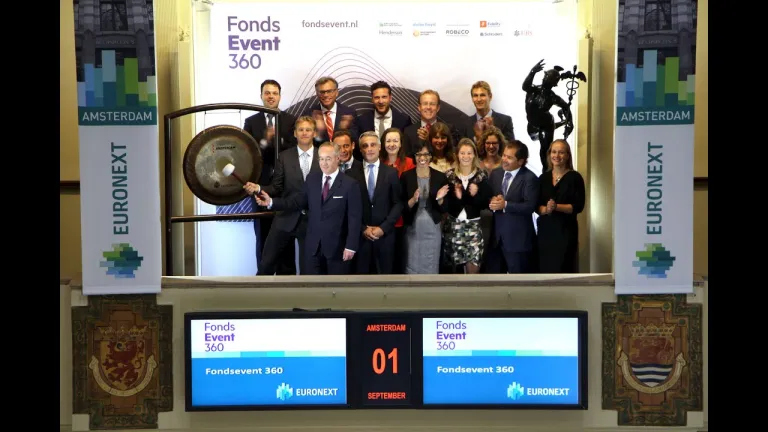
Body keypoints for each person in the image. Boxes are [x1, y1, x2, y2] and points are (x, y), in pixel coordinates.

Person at [256, 142, 362, 275]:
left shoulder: (350, 184)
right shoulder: (312, 180)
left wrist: (351, 246)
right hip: (313, 249)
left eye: (328, 159)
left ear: (337, 158)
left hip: (337, 250)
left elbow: (354, 218)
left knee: (335, 286)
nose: (324, 163)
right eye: (321, 159)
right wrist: (272, 202)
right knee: (311, 286)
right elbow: (297, 201)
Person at [244, 116, 319, 275]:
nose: (304, 133)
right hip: (285, 217)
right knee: (266, 265)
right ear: (295, 133)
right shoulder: (284, 157)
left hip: (312, 221)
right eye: (301, 130)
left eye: (308, 130)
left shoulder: (323, 156)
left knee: (310, 271)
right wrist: (258, 188)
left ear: (314, 133)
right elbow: (276, 188)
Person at [242, 79, 297, 272]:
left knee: (286, 236)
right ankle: (263, 280)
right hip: (260, 187)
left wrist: (277, 140)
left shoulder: (291, 120)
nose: (271, 96)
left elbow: (294, 150)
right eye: (267, 93)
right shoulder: (251, 122)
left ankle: (287, 280)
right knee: (263, 236)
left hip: (286, 187)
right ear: (261, 96)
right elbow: (245, 153)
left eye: (275, 93)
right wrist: (265, 141)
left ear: (280, 96)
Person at [345, 132, 404, 274]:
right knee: (361, 280)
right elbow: (347, 207)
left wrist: (383, 228)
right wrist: (362, 228)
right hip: (361, 237)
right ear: (360, 150)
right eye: (365, 146)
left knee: (385, 280)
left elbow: (398, 203)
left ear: (379, 147)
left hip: (385, 237)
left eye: (373, 145)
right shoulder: (350, 174)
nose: (369, 149)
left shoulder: (391, 173)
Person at [486, 140, 540, 274]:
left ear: (520, 161)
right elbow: (488, 197)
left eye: (509, 157)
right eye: (504, 155)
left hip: (518, 242)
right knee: (496, 281)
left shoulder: (530, 178)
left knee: (518, 282)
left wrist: (505, 205)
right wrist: (492, 200)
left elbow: (530, 206)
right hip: (497, 240)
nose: (504, 159)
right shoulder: (496, 174)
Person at [441, 138, 493, 274]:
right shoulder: (449, 176)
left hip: (473, 228)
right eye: (463, 153)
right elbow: (445, 206)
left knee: (473, 272)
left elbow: (486, 203)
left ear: (474, 155)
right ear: (457, 155)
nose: (466, 156)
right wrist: (457, 197)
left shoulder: (481, 176)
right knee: (454, 273)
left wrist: (475, 195)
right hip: (453, 228)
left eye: (469, 153)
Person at [536, 139, 585, 273]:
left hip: (565, 233)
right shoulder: (543, 178)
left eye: (561, 152)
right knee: (545, 270)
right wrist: (546, 209)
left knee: (564, 270)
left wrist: (556, 207)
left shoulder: (575, 177)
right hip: (545, 233)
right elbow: (536, 206)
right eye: (554, 152)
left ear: (568, 155)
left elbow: (578, 206)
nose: (557, 156)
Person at [400, 142, 450, 274]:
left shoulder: (440, 177)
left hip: (433, 228)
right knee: (412, 264)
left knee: (431, 264)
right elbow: (401, 206)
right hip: (412, 229)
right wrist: (412, 200)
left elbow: (445, 208)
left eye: (426, 154)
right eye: (418, 154)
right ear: (414, 156)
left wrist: (440, 199)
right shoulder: (406, 176)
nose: (422, 158)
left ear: (431, 156)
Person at [380, 127, 415, 274]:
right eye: (388, 141)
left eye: (395, 141)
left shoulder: (409, 163)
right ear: (383, 144)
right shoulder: (379, 162)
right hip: (382, 219)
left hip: (403, 218)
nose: (392, 144)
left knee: (400, 260)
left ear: (401, 144)